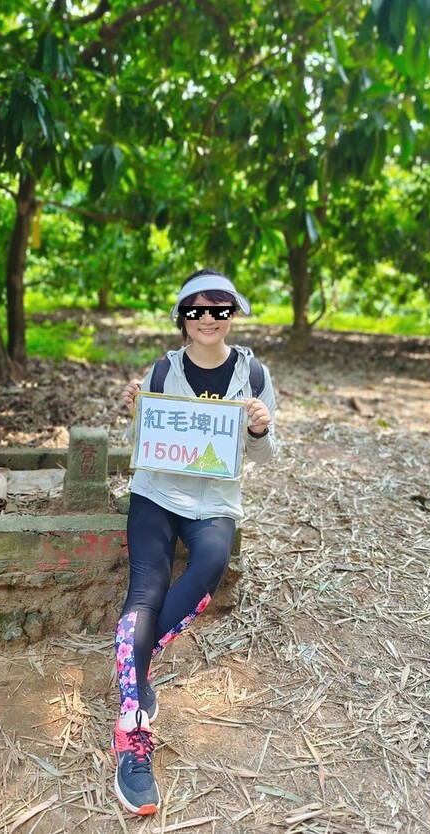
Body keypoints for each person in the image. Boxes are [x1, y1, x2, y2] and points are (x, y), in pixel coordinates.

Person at [112, 269, 276, 815]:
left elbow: (264, 456)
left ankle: (133, 657)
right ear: (182, 317)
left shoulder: (252, 373)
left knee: (208, 563)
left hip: (214, 502)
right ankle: (131, 727)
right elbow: (142, 443)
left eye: (219, 309)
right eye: (197, 310)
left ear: (233, 314)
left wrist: (258, 428)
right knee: (147, 589)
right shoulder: (163, 368)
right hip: (157, 493)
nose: (208, 319)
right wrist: (143, 413)